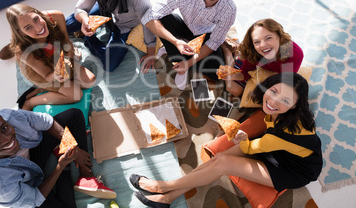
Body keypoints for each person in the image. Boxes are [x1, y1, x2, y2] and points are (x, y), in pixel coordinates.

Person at [130, 73, 322, 207]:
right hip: (279, 151)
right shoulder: (283, 115)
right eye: (273, 91)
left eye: (286, 100)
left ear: (295, 105)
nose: (273, 101)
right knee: (218, 159)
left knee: (222, 162)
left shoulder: (283, 134)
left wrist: (243, 139)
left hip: (291, 171)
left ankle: (162, 186)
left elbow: (252, 146)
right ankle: (168, 198)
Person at [0, 107, 116, 208]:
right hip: (27, 182)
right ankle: (63, 161)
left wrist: (75, 148)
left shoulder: (10, 116)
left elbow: (47, 122)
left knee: (73, 115)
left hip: (34, 152)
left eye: (4, 128)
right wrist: (60, 166)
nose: (6, 139)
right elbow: (34, 200)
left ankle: (86, 177)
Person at [141, 0, 238, 89]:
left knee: (216, 73)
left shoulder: (230, 10)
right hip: (184, 27)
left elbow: (214, 42)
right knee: (163, 19)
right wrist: (175, 41)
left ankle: (183, 60)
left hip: (206, 35)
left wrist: (189, 63)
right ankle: (176, 48)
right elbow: (148, 16)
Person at [6, 4, 96, 111]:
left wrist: (70, 54)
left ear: (38, 13)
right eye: (28, 28)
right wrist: (57, 76)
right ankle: (31, 100)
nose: (38, 27)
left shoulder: (56, 16)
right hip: (41, 71)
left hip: (58, 55)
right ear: (22, 33)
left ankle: (57, 86)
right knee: (75, 95)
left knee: (90, 80)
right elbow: (48, 75)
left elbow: (66, 42)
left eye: (36, 19)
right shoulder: (21, 51)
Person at [223, 18, 304, 97]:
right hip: (255, 64)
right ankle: (227, 51)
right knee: (233, 89)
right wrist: (232, 76)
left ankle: (235, 49)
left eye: (268, 38)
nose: (263, 45)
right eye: (257, 42)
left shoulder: (294, 56)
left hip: (268, 73)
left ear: (279, 37)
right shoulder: (253, 51)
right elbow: (245, 72)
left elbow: (284, 84)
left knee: (237, 90)